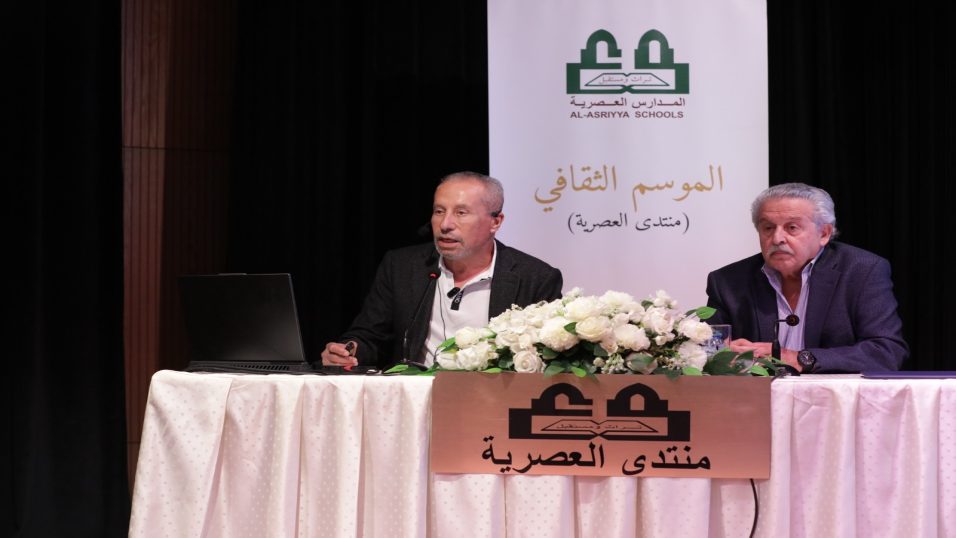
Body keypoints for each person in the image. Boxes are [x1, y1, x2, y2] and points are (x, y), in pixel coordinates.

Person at [321, 171, 563, 369]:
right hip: (415, 399)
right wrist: (349, 350)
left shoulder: (535, 278)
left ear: (495, 222)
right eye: (439, 211)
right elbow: (370, 335)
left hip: (493, 401)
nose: (445, 225)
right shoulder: (402, 267)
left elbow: (549, 359)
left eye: (461, 213)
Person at [705, 182, 907, 373]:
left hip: (833, 395)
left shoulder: (861, 271)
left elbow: (886, 351)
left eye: (792, 228)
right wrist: (723, 354)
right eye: (768, 228)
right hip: (757, 395)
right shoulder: (728, 282)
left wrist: (799, 358)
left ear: (824, 234)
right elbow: (704, 351)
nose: (777, 238)